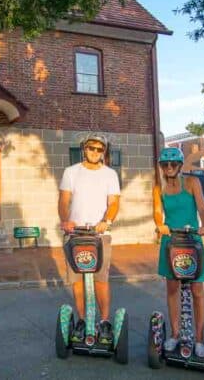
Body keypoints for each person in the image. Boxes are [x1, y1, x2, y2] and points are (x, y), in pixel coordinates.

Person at [58, 133, 120, 345]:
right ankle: (83, 319)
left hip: (99, 234)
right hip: (75, 234)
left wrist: (107, 221)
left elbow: (114, 202)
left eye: (99, 149)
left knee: (100, 280)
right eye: (91, 148)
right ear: (84, 149)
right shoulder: (71, 172)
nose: (95, 152)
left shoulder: (110, 174)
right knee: (77, 281)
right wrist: (65, 221)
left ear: (104, 152)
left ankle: (104, 321)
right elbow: (64, 200)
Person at [152, 147, 204, 358]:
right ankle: (176, 334)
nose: (169, 168)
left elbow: (202, 208)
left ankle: (199, 339)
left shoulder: (192, 183)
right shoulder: (158, 187)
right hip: (171, 241)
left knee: (197, 290)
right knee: (172, 288)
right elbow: (157, 212)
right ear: (161, 166)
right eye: (165, 165)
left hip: (192, 240)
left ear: (179, 166)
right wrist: (160, 225)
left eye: (173, 164)